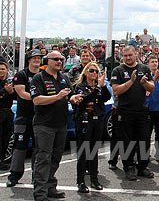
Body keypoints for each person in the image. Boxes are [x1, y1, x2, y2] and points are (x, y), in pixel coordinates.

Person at [30, 51, 83, 201]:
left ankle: (50, 187)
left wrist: (75, 98)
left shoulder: (64, 77)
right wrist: (56, 97)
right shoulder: (39, 78)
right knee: (43, 158)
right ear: (48, 61)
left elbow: (70, 95)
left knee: (55, 157)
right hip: (44, 125)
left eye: (61, 59)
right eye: (56, 59)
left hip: (61, 124)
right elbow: (36, 100)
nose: (59, 61)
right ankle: (40, 193)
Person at [110, 46, 156, 181]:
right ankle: (129, 167)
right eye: (125, 56)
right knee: (126, 141)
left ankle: (142, 167)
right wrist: (130, 82)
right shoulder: (118, 70)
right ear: (122, 56)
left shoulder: (144, 69)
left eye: (130, 55)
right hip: (124, 111)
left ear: (136, 54)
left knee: (144, 139)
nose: (128, 58)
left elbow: (152, 88)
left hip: (141, 111)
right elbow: (116, 91)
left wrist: (144, 83)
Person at [6, 50, 43, 187]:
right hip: (23, 116)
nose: (36, 60)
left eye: (39, 58)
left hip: (40, 117)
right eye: (34, 58)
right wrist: (39, 98)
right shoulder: (21, 74)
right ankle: (14, 175)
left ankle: (36, 176)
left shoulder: (43, 75)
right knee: (19, 146)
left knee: (38, 148)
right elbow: (21, 93)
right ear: (29, 60)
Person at [73, 62, 111, 193]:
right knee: (83, 152)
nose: (94, 73)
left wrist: (103, 86)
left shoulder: (99, 86)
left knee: (94, 152)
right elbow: (84, 100)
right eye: (91, 71)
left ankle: (94, 179)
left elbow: (107, 97)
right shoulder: (80, 86)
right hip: (85, 121)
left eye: (96, 71)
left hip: (97, 121)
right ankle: (80, 181)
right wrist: (97, 89)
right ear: (85, 72)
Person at [0, 61, 15, 170]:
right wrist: (4, 91)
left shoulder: (9, 83)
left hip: (8, 112)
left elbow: (15, 97)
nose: (1, 71)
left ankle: (2, 159)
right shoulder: (4, 86)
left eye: (3, 69)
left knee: (6, 138)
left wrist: (10, 92)